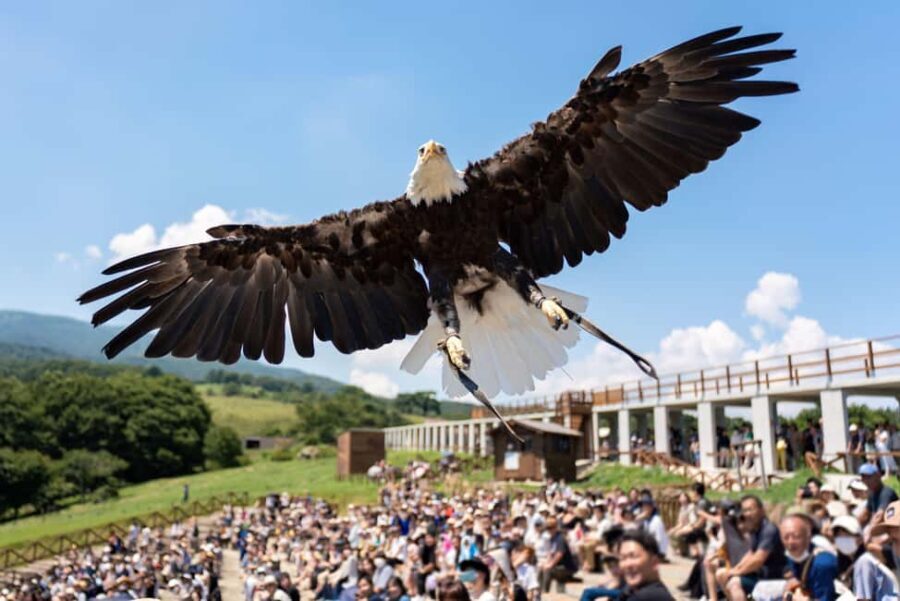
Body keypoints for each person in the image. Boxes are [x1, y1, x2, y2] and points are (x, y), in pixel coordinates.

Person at [714, 495, 785, 601]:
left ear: (761, 510)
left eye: (751, 509)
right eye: (745, 510)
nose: (747, 514)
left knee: (734, 583)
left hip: (772, 579)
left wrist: (737, 572)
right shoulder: (756, 529)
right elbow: (751, 554)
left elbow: (758, 560)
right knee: (721, 575)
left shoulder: (769, 530)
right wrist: (735, 569)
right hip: (759, 576)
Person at [831, 514, 898, 600]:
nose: (842, 540)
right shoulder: (846, 565)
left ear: (859, 538)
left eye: (847, 536)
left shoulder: (864, 562)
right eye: (838, 536)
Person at [780, 513, 837, 601]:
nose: (790, 542)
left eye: (796, 536)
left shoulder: (822, 564)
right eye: (786, 537)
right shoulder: (793, 556)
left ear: (808, 536)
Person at [617, 530, 674, 600]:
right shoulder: (635, 589)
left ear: (654, 562)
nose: (627, 564)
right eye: (622, 558)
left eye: (633, 556)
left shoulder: (649, 596)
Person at [538, 517, 577, 593]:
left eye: (551, 528)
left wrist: (550, 565)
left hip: (566, 567)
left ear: (556, 527)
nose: (549, 530)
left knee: (548, 570)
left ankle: (545, 592)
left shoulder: (560, 538)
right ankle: (539, 591)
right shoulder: (552, 538)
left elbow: (559, 554)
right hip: (559, 566)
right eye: (548, 528)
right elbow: (550, 553)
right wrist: (547, 562)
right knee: (541, 567)